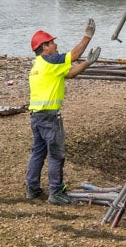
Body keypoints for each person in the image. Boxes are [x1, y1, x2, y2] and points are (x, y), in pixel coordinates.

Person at [26, 20, 99, 205]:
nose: (56, 45)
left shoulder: (39, 65)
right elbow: (74, 55)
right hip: (50, 116)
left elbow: (70, 74)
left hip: (36, 116)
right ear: (44, 47)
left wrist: (88, 63)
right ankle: (56, 192)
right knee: (56, 154)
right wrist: (88, 36)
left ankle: (32, 188)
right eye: (52, 42)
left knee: (38, 152)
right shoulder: (50, 61)